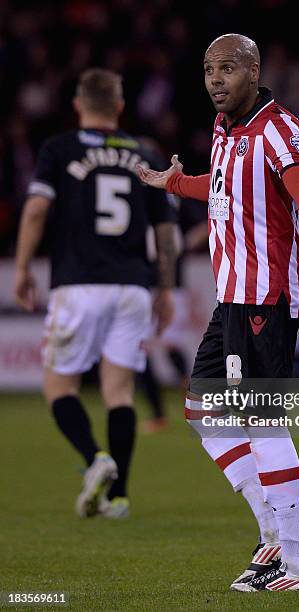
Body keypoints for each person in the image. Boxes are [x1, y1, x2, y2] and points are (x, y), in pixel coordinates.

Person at [137, 33, 299, 593]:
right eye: (209, 68)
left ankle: (298, 566)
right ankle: (272, 537)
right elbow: (223, 193)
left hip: (267, 297)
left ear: (253, 70)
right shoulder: (225, 129)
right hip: (233, 296)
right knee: (202, 410)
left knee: (261, 422)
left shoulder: (277, 126)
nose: (216, 79)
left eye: (228, 69)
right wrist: (173, 183)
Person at [14, 68, 177, 519]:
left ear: (78, 105)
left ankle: (94, 458)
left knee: (58, 385)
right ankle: (119, 496)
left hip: (79, 284)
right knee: (119, 393)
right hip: (133, 288)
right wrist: (164, 288)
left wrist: (24, 266)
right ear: (120, 107)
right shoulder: (145, 152)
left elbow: (35, 210)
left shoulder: (58, 149)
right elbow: (166, 232)